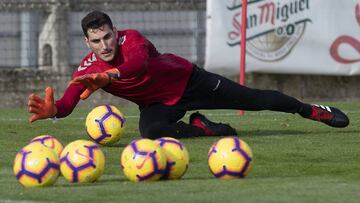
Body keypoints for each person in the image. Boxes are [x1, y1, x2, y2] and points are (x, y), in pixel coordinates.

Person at [28, 11, 349, 139]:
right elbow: (70, 100)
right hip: (158, 103)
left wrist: (110, 76)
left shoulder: (132, 39)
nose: (105, 44)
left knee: (257, 99)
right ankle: (204, 128)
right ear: (87, 42)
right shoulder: (88, 67)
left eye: (108, 36)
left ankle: (314, 111)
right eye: (96, 41)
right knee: (151, 132)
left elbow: (138, 65)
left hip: (190, 81)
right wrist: (55, 110)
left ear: (115, 31)